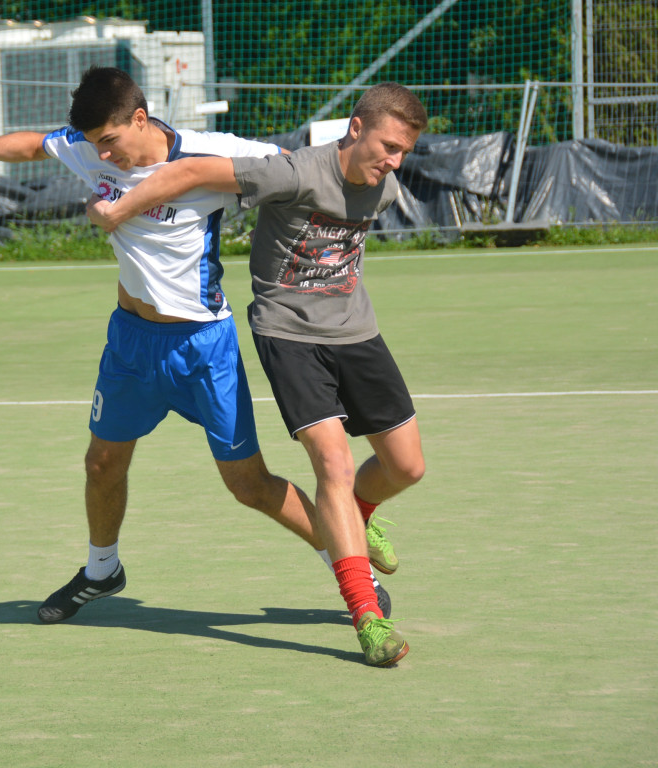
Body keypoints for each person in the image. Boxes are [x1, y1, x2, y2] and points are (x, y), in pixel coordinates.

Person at [0, 67, 394, 662]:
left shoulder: (216, 154)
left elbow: (298, 165)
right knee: (101, 463)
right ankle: (103, 570)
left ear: (139, 118)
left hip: (204, 349)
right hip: (129, 344)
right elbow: (35, 144)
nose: (103, 155)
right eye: (95, 144)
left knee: (250, 486)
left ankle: (350, 563)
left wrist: (358, 170)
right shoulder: (93, 148)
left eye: (111, 141)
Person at [85, 81, 429, 666]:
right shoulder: (291, 173)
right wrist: (119, 208)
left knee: (407, 466)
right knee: (334, 467)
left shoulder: (385, 186)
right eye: (389, 146)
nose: (395, 162)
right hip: (288, 334)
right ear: (356, 127)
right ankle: (366, 618)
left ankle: (357, 518)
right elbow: (191, 174)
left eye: (404, 152)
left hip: (356, 332)